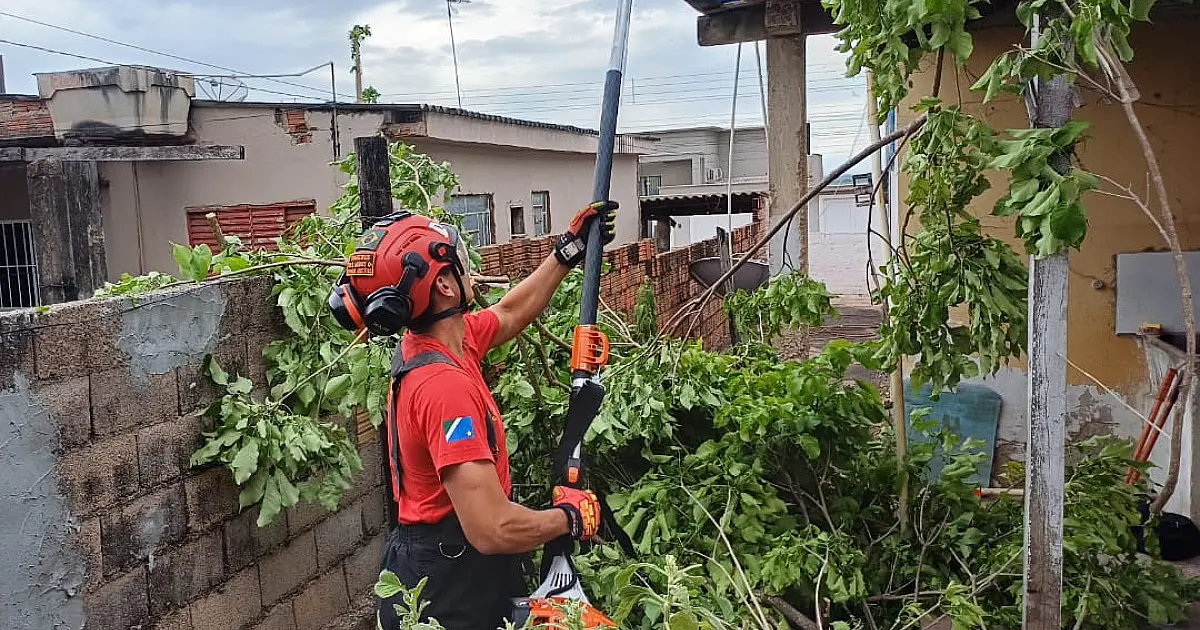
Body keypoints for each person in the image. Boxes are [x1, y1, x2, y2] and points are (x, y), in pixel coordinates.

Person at [328, 200, 619, 630]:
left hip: (449, 562)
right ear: (444, 286)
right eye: (458, 260)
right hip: (449, 587)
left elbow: (507, 313)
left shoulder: (445, 342)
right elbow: (493, 528)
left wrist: (568, 250)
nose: (468, 268)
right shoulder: (444, 389)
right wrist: (572, 518)